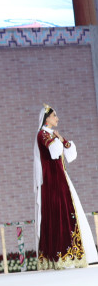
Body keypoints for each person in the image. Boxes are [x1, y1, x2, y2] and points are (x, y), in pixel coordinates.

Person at [34, 105, 98, 269]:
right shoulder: (43, 134)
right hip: (53, 180)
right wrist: (58, 140)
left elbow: (70, 154)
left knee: (68, 212)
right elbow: (54, 152)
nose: (57, 118)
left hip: (61, 178)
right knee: (59, 214)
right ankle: (62, 255)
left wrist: (61, 139)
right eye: (54, 115)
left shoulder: (51, 135)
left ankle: (71, 254)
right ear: (47, 118)